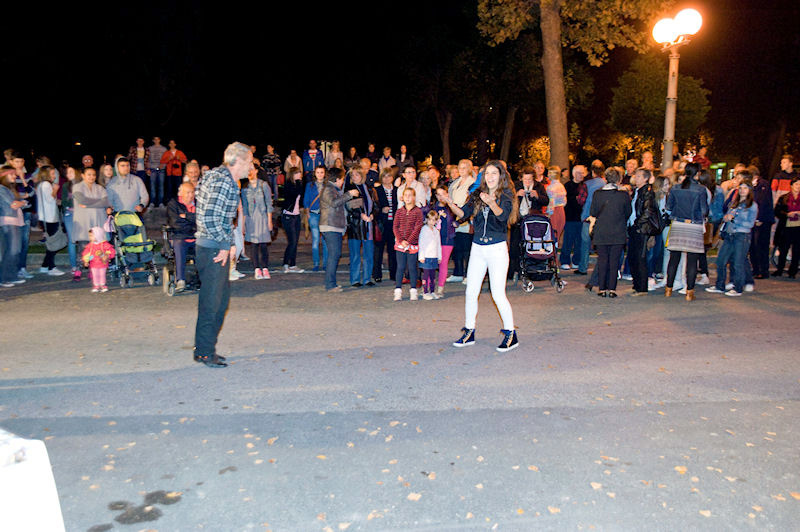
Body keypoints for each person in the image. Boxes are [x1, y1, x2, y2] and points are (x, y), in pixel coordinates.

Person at [444, 160, 518, 351]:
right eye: (487, 173)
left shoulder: (506, 195)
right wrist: (450, 202)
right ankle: (469, 331)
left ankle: (511, 334)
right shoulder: (477, 194)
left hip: (496, 249)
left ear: (500, 176)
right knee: (471, 292)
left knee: (498, 294)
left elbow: (503, 217)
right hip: (477, 248)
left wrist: (492, 202)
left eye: (494, 173)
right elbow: (463, 213)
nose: (490, 177)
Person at [193, 142, 252, 369]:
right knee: (212, 302)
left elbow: (211, 211)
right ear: (238, 161)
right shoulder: (223, 180)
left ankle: (205, 348)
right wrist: (225, 245)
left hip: (212, 246)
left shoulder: (217, 177)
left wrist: (230, 243)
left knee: (219, 301)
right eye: (249, 162)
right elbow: (209, 217)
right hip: (213, 249)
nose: (251, 166)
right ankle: (205, 353)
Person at [664, 163, 709, 300]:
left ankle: (668, 289)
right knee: (692, 261)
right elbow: (704, 210)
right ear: (697, 173)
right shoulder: (701, 189)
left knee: (674, 259)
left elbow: (668, 207)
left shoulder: (675, 188)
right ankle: (689, 292)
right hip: (693, 225)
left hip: (678, 224)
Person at [706, 180, 758, 296]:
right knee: (721, 260)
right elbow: (727, 215)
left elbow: (750, 223)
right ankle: (720, 285)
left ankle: (738, 288)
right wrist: (726, 218)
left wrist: (734, 219)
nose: (742, 190)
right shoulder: (735, 203)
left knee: (738, 262)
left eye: (745, 188)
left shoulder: (752, 205)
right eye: (740, 188)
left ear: (750, 190)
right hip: (729, 235)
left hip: (741, 235)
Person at [589, 167, 631, 298]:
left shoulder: (597, 194)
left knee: (602, 260)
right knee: (614, 261)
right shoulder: (623, 195)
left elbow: (593, 212)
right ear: (619, 179)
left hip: (601, 231)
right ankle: (612, 289)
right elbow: (628, 212)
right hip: (618, 231)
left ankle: (602, 288)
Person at [319, 167, 359, 292]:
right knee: (334, 255)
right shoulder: (328, 189)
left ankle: (331, 283)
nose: (342, 182)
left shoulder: (334, 189)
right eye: (342, 179)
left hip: (334, 226)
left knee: (334, 255)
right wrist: (349, 194)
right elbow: (334, 203)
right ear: (337, 179)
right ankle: (330, 285)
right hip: (330, 226)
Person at [345, 166, 378, 287]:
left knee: (369, 254)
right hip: (355, 226)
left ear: (362, 175)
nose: (354, 177)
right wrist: (360, 215)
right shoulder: (350, 189)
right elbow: (348, 207)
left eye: (357, 174)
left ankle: (367, 278)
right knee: (355, 254)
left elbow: (376, 205)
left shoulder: (369, 189)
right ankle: (355, 279)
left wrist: (373, 214)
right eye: (352, 175)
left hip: (368, 225)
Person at [627, 168, 658, 296]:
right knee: (632, 257)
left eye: (639, 176)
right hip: (634, 227)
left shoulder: (647, 192)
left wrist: (637, 223)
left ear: (645, 178)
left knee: (640, 258)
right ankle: (636, 284)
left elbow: (648, 211)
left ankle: (642, 288)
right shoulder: (637, 191)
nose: (636, 178)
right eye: (636, 175)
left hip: (641, 228)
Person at [241, 166, 273, 280]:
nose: (249, 172)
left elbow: (269, 203)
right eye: (247, 170)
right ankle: (257, 269)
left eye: (251, 170)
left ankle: (265, 268)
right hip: (251, 218)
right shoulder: (245, 188)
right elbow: (245, 207)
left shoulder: (264, 185)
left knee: (263, 244)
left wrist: (269, 220)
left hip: (263, 216)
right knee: (254, 245)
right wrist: (243, 224)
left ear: (256, 171)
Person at [447, 159, 477, 282]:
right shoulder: (456, 183)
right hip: (454, 216)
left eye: (464, 167)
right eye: (460, 167)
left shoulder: (473, 183)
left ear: (469, 169)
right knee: (457, 247)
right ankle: (458, 273)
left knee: (467, 249)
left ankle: (469, 274)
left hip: (466, 217)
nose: (462, 170)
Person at [392, 187, 423, 301]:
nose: (408, 197)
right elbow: (395, 226)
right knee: (400, 267)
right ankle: (398, 290)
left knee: (412, 267)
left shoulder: (418, 211)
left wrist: (409, 241)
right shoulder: (399, 211)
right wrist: (401, 240)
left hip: (412, 244)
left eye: (410, 195)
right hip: (400, 244)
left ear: (414, 197)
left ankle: (413, 290)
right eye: (406, 195)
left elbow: (417, 227)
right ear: (402, 197)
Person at [577, 161, 607, 275]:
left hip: (588, 217)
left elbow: (581, 200)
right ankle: (601, 269)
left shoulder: (587, 184)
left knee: (585, 243)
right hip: (603, 217)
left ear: (592, 172)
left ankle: (583, 267)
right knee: (601, 245)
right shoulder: (606, 184)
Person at [167, 182, 198, 291]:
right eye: (188, 192)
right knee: (179, 246)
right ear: (180, 193)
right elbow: (175, 223)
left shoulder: (198, 203)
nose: (191, 195)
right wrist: (192, 221)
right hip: (180, 236)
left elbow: (202, 220)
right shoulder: (173, 204)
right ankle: (180, 280)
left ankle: (203, 278)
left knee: (205, 246)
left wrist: (186, 216)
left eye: (192, 192)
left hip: (196, 236)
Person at [35, 166, 65, 276]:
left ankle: (44, 266)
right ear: (46, 174)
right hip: (49, 218)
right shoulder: (46, 185)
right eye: (52, 174)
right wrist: (55, 190)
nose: (54, 176)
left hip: (47, 218)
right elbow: (49, 199)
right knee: (52, 243)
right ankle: (51, 267)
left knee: (51, 242)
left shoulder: (42, 185)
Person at [0, 166, 27, 287]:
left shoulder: (9, 189)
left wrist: (22, 202)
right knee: (12, 250)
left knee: (15, 250)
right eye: (12, 174)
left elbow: (22, 202)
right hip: (8, 221)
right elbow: (14, 204)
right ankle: (4, 278)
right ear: (4, 176)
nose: (15, 176)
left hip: (14, 221)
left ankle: (11, 276)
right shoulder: (1, 189)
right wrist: (22, 202)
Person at [10, 152, 35, 279]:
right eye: (16, 162)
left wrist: (23, 180)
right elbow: (10, 195)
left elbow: (32, 193)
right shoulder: (8, 176)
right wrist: (23, 197)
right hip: (12, 213)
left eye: (21, 162)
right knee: (12, 242)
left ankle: (22, 268)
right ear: (11, 162)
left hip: (26, 212)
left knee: (24, 241)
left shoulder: (28, 176)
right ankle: (12, 269)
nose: (19, 164)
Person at [749, 167, 775, 279]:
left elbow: (763, 202)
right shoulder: (752, 186)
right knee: (753, 246)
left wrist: (759, 218)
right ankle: (755, 269)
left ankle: (763, 270)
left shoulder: (763, 185)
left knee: (761, 245)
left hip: (763, 221)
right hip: (753, 220)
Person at [772, 177, 800, 278]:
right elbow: (777, 211)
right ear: (791, 186)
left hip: (798, 228)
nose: (798, 186)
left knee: (797, 251)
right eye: (796, 184)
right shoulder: (784, 198)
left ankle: (793, 272)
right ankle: (780, 269)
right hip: (786, 227)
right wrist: (787, 214)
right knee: (783, 249)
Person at [373, 168, 397, 283]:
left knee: (393, 250)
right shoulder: (376, 191)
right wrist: (381, 210)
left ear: (392, 177)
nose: (387, 178)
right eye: (384, 176)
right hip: (381, 224)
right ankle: (377, 274)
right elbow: (373, 207)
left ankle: (394, 274)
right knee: (378, 250)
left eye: (389, 176)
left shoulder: (397, 190)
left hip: (394, 224)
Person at [431, 184, 456, 298]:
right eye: (439, 194)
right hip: (433, 240)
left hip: (447, 239)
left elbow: (461, 216)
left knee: (443, 263)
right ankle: (428, 288)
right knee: (431, 263)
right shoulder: (433, 208)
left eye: (443, 194)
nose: (441, 197)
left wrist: (457, 223)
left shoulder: (452, 207)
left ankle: (440, 288)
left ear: (448, 194)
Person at [560, 165, 586, 269]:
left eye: (583, 173)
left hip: (581, 218)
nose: (581, 175)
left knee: (579, 241)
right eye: (579, 173)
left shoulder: (584, 186)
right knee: (568, 240)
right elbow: (568, 201)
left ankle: (576, 261)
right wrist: (575, 199)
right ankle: (565, 261)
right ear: (574, 174)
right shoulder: (568, 186)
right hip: (570, 218)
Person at [303, 166, 328, 271]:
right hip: (313, 214)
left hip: (325, 215)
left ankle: (326, 264)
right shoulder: (310, 185)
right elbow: (306, 199)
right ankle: (316, 263)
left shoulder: (328, 185)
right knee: (315, 240)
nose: (320, 174)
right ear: (315, 174)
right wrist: (307, 212)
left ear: (325, 173)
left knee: (325, 241)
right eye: (318, 172)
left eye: (322, 172)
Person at [281, 167, 304, 273]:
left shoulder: (299, 185)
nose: (299, 175)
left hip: (296, 215)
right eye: (297, 173)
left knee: (295, 241)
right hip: (288, 215)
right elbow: (293, 194)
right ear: (292, 175)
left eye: (300, 173)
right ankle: (286, 263)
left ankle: (293, 265)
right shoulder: (288, 185)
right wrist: (298, 183)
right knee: (292, 241)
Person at [81, 226, 115, 293]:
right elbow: (87, 254)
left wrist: (107, 256)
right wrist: (86, 260)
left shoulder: (104, 244)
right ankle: (96, 285)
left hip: (102, 263)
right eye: (90, 236)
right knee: (95, 275)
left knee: (102, 274)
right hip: (93, 263)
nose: (90, 238)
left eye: (91, 236)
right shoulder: (90, 246)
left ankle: (103, 285)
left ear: (98, 235)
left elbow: (111, 251)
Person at [60, 166, 80, 278]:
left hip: (81, 214)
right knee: (72, 240)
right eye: (67, 173)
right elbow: (63, 201)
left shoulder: (82, 185)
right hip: (70, 214)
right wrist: (70, 206)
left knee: (84, 239)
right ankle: (73, 266)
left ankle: (85, 262)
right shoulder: (65, 186)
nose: (69, 174)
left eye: (71, 171)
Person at [418, 209, 442, 300]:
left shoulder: (436, 231)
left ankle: (432, 291)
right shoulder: (424, 230)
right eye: (430, 219)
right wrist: (421, 256)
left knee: (433, 276)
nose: (432, 222)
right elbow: (421, 243)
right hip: (426, 256)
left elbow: (438, 244)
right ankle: (425, 292)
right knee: (425, 275)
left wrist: (439, 256)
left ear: (436, 221)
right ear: (427, 220)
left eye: (434, 220)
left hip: (434, 256)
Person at [148, 136, 167, 207]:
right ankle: (152, 202)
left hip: (161, 170)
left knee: (161, 187)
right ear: (153, 140)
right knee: (152, 187)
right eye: (155, 139)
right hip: (152, 169)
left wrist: (163, 165)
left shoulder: (164, 149)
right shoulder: (150, 148)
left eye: (157, 139)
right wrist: (148, 169)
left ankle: (160, 202)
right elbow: (147, 159)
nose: (156, 140)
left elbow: (166, 159)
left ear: (160, 140)